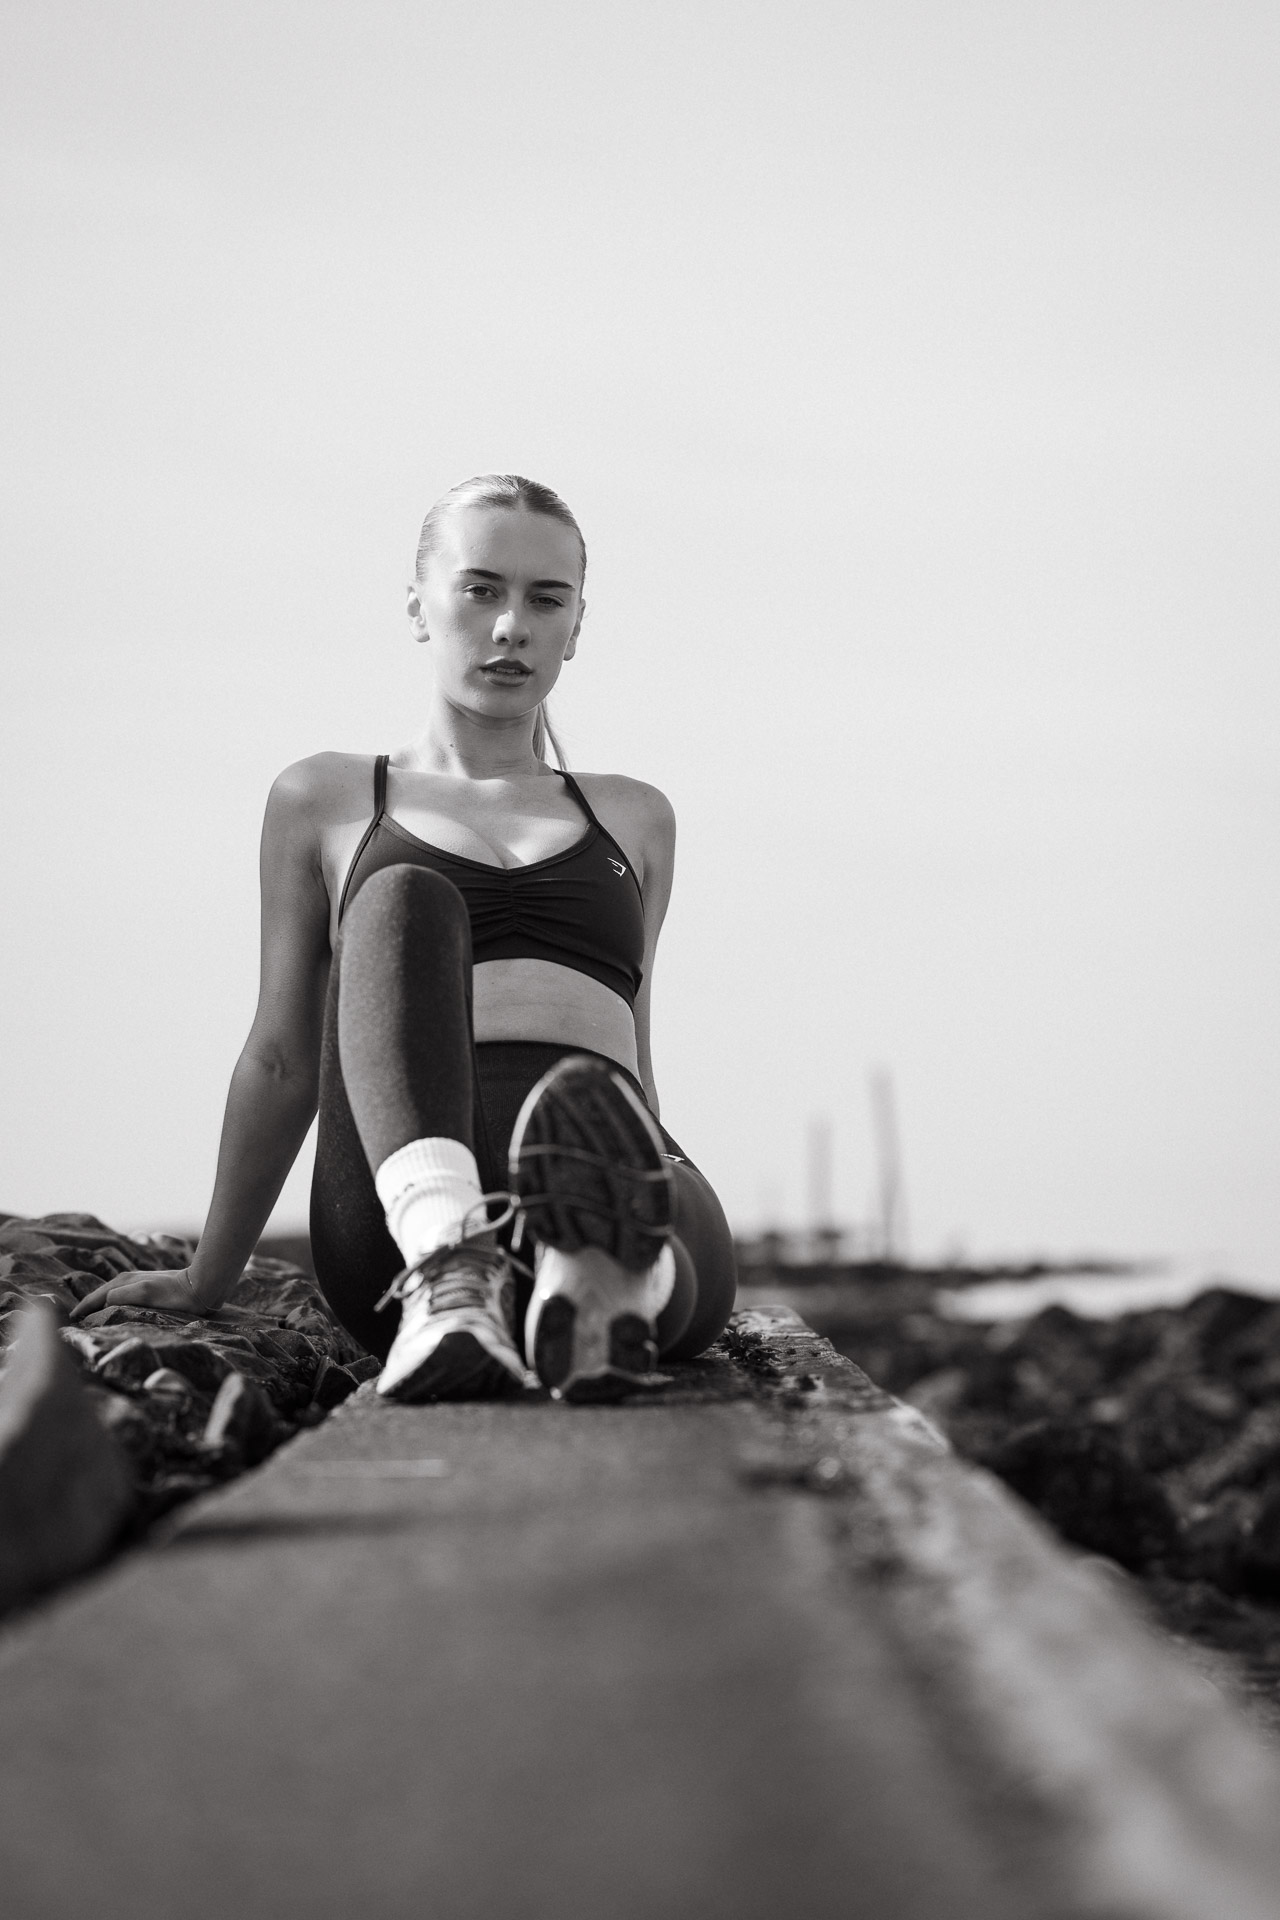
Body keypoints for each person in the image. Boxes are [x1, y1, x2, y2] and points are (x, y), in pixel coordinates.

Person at [73, 474, 737, 1402]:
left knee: (675, 1242)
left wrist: (647, 1164)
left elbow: (632, 1055)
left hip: (602, 1161)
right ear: (419, 607)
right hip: (399, 1207)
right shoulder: (327, 799)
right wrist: (207, 1275)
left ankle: (607, 1280)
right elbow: (280, 1056)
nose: (511, 626)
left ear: (577, 625)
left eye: (546, 600)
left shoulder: (636, 817)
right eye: (481, 589)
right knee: (403, 896)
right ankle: (455, 1270)